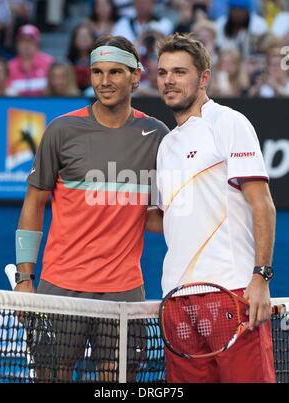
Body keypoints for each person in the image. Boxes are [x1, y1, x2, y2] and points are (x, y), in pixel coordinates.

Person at [14, 34, 169, 382]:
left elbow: (156, 217)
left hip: (124, 292)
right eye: (97, 72)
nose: (104, 81)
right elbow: (34, 202)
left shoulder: (156, 135)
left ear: (135, 76)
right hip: (60, 287)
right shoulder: (61, 130)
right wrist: (25, 278)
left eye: (115, 72)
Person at [150, 32, 276, 383]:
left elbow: (262, 203)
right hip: (176, 302)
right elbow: (167, 219)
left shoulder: (228, 123)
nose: (169, 81)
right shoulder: (166, 145)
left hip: (231, 294)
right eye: (162, 73)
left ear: (204, 77)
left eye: (179, 72)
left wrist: (260, 277)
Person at [7, 24, 54, 96]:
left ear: (37, 43)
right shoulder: (9, 66)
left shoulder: (49, 62)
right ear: (17, 44)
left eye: (30, 41)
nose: (26, 45)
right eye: (22, 41)